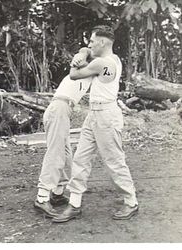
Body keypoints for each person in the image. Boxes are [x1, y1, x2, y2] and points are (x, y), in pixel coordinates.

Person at [52, 25, 139, 223]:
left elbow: (74, 75)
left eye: (92, 41)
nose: (89, 44)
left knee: (114, 160)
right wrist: (82, 52)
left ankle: (131, 201)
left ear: (101, 42)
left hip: (107, 116)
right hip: (94, 114)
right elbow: (87, 54)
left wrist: (77, 59)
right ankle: (74, 204)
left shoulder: (104, 63)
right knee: (80, 158)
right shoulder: (111, 58)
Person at [33, 48, 93, 218]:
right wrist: (81, 54)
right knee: (56, 152)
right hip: (59, 107)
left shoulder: (93, 68)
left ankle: (57, 193)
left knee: (66, 153)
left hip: (63, 110)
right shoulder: (85, 64)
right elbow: (83, 51)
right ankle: (42, 197)